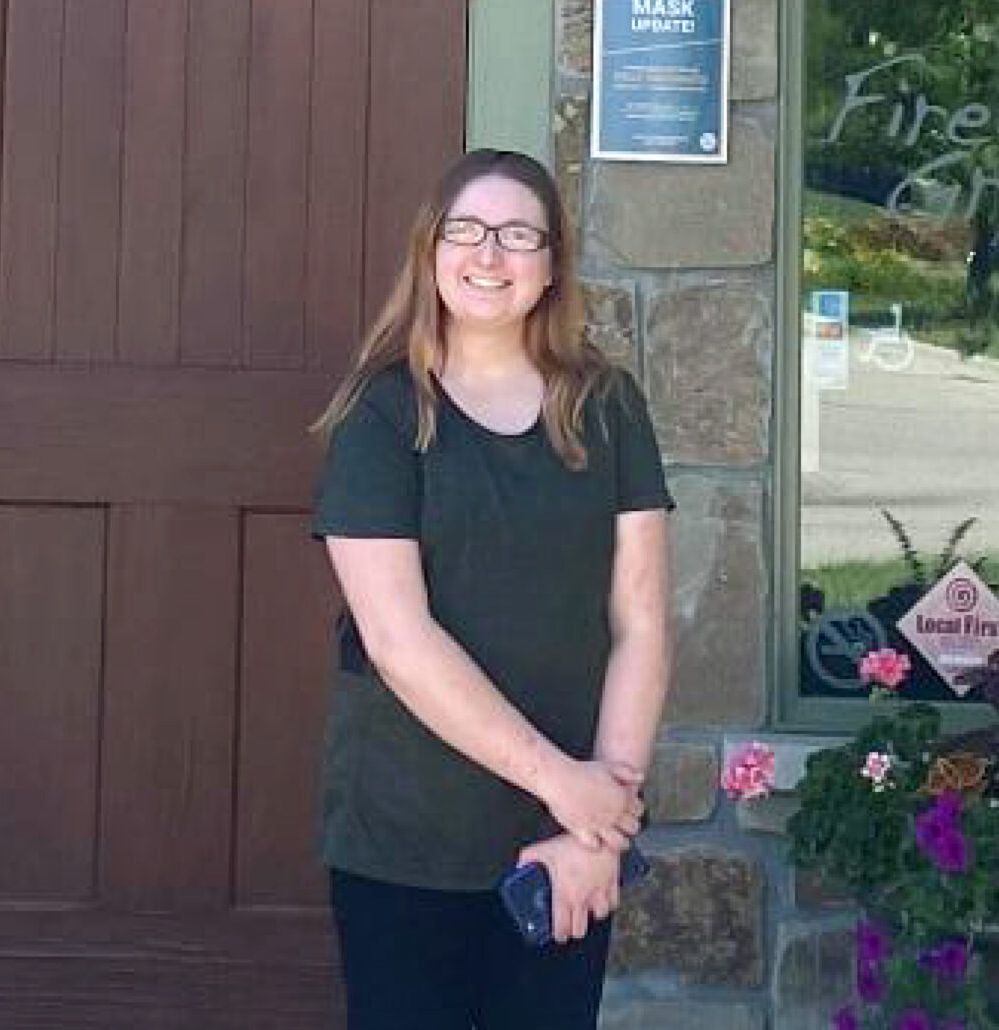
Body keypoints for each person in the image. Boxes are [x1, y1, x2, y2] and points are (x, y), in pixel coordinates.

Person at [312, 148, 674, 1030]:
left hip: (568, 844)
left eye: (519, 235)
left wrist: (600, 817)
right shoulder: (384, 415)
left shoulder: (607, 405)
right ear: (430, 252)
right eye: (466, 231)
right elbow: (400, 643)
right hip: (407, 838)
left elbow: (642, 623)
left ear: (552, 266)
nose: (489, 255)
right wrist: (571, 786)